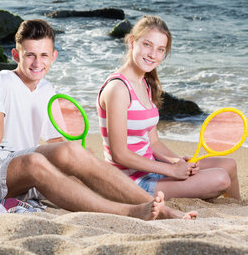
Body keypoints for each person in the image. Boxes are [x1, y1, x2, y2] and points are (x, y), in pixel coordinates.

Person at [0, 0, 196, 220]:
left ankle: (165, 212)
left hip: (1, 157)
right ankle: (131, 213)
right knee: (35, 164)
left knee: (69, 151)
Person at [97, 15, 240, 200]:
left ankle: (241, 211)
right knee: (221, 178)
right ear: (132, 42)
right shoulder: (118, 88)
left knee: (229, 165)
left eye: (160, 49)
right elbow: (119, 154)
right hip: (129, 182)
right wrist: (170, 170)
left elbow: (153, 142)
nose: (152, 54)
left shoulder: (145, 83)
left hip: (151, 169)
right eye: (147, 45)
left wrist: (177, 161)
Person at [0, 19, 63, 151]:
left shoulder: (47, 89)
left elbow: (55, 139)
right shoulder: (3, 82)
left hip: (28, 160)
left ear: (53, 56)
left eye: (44, 55)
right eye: (30, 55)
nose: (37, 63)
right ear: (16, 56)